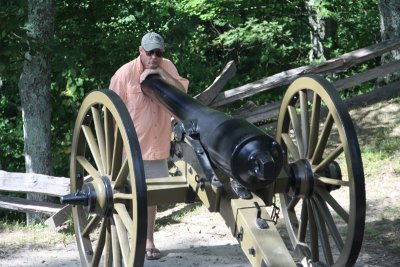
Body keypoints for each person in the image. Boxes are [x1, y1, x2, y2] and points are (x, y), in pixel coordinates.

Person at [109, 32, 189, 260]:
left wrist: (161, 73)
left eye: (158, 53)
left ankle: (148, 241)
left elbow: (182, 94)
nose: (154, 57)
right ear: (140, 50)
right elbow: (112, 115)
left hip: (156, 144)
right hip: (129, 148)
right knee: (128, 198)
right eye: (149, 52)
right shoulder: (123, 75)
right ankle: (129, 241)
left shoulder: (167, 66)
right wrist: (118, 152)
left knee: (151, 197)